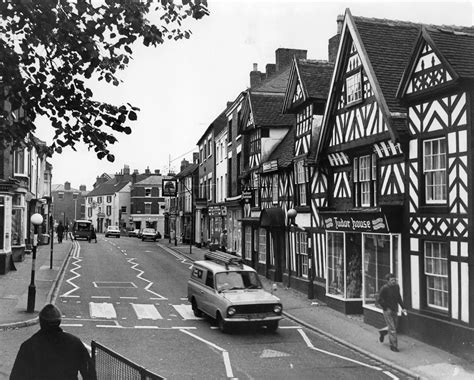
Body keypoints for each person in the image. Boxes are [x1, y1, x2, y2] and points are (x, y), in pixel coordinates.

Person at [10, 304, 97, 380]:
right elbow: (89, 373)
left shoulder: (28, 346)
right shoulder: (75, 343)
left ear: (41, 321)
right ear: (59, 321)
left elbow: (16, 376)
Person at [377, 273, 407, 352]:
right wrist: (386, 307)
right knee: (393, 328)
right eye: (392, 280)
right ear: (387, 281)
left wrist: (403, 307)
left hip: (395, 309)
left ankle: (383, 332)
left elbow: (399, 297)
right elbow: (379, 299)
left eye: (395, 280)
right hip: (388, 310)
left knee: (394, 326)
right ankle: (393, 346)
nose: (394, 281)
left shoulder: (397, 287)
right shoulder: (384, 288)